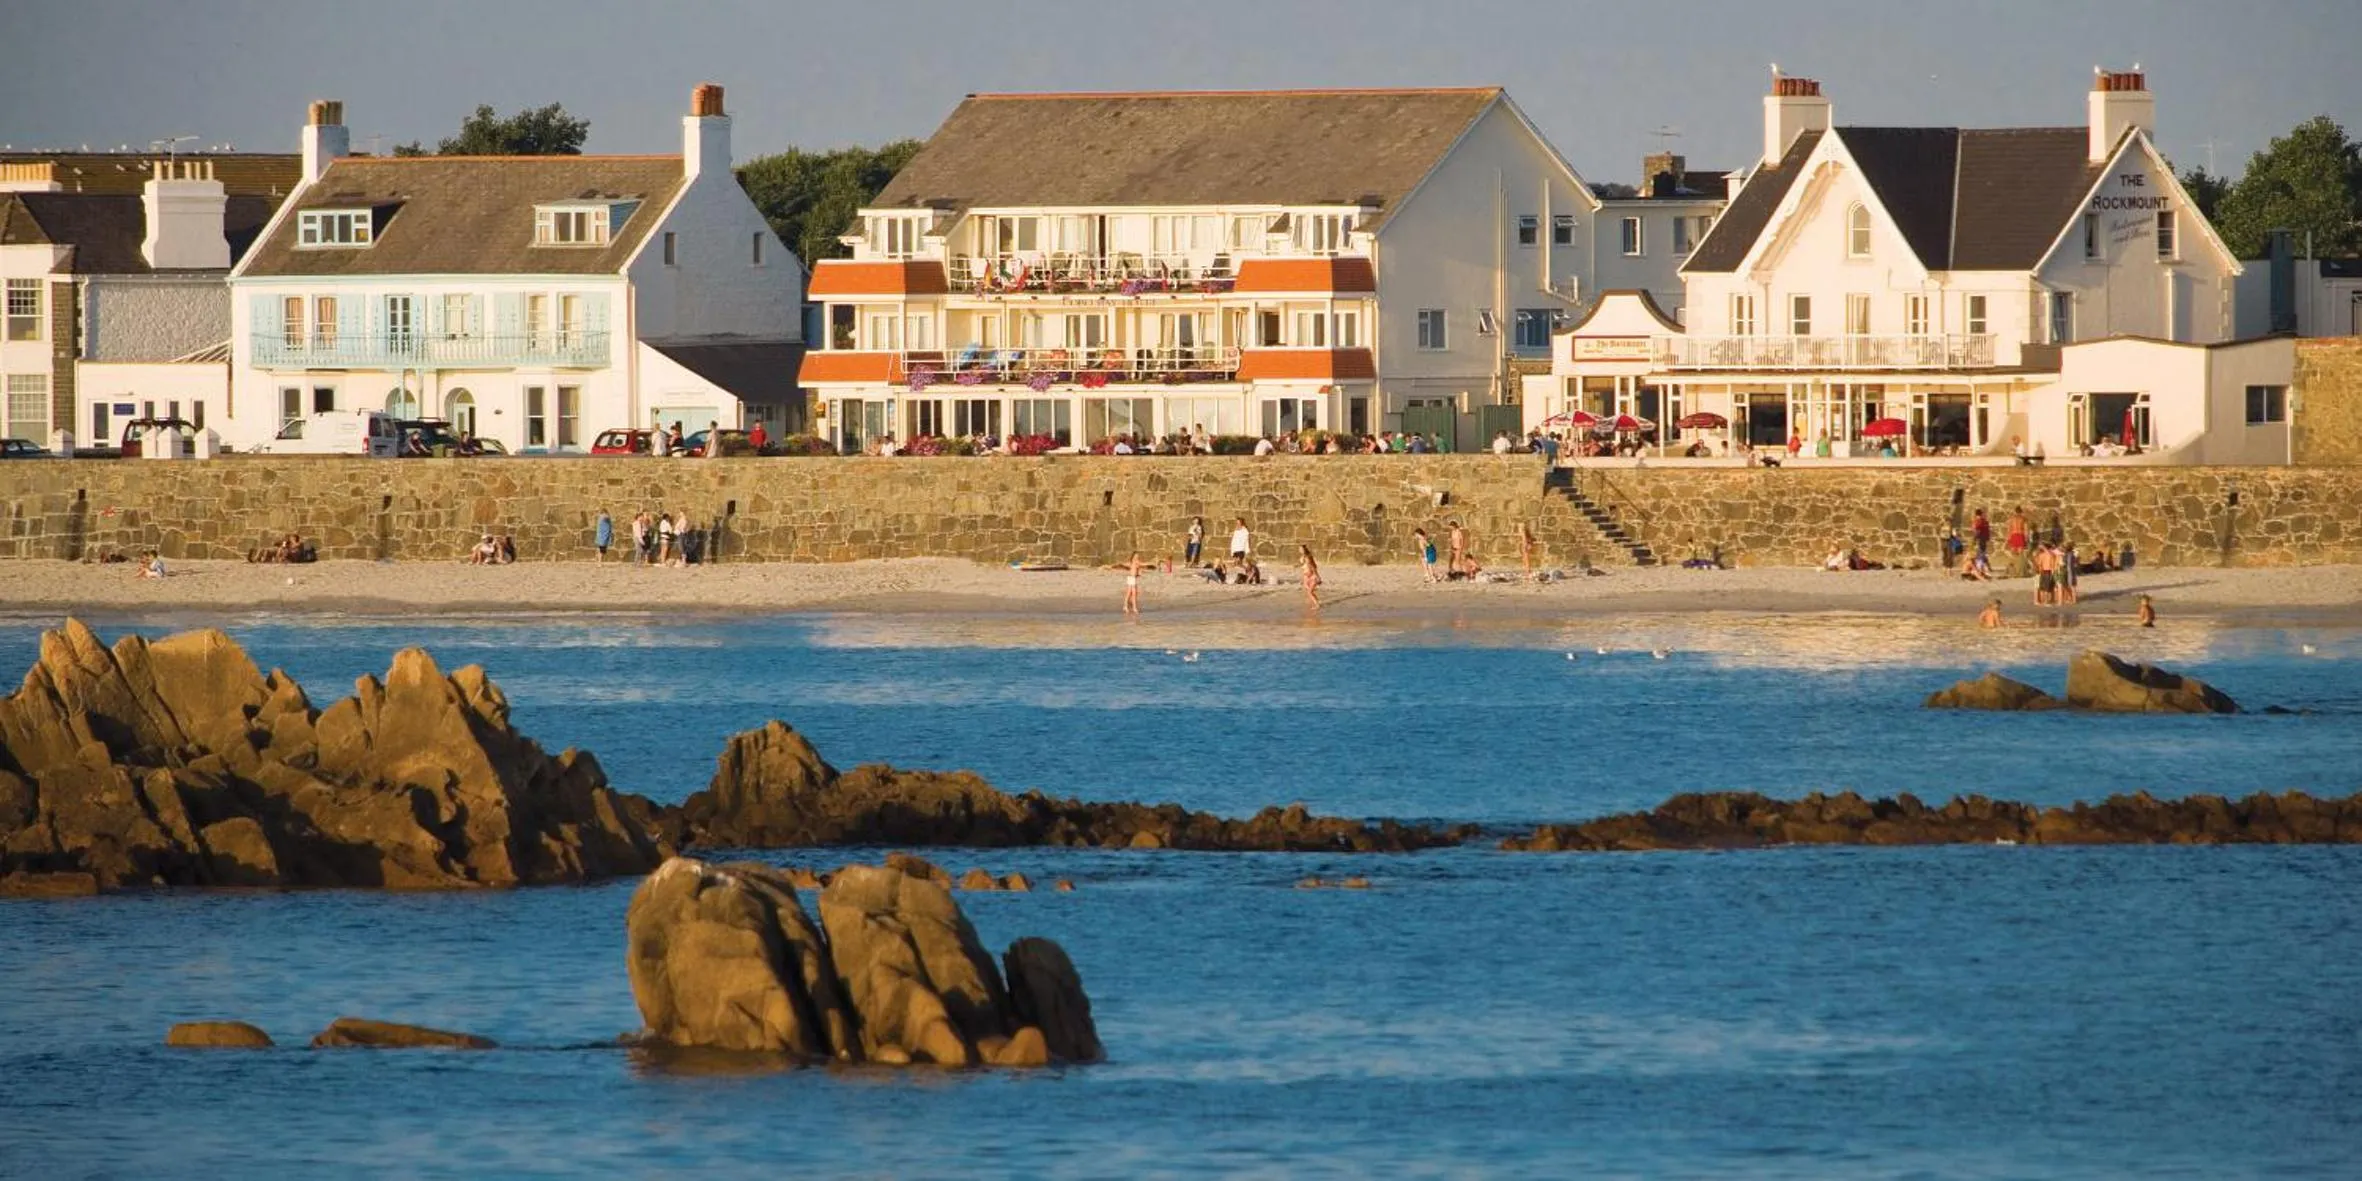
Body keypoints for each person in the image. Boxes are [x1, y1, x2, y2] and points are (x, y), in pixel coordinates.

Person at [2005, 507, 2030, 573]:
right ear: (2021, 512)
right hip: (2020, 535)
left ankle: (2010, 569)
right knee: (2020, 553)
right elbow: (2026, 529)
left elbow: (2009, 529)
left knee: (2013, 553)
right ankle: (2020, 570)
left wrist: (2008, 538)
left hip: (2013, 535)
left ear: (2015, 511)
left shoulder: (2011, 519)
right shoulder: (2023, 519)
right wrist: (2027, 538)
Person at [1299, 544, 1322, 609]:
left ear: (1304, 550)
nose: (1300, 550)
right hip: (1306, 576)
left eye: (1301, 549)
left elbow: (1312, 567)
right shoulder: (1303, 557)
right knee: (1307, 589)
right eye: (1299, 549)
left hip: (1312, 576)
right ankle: (1316, 601)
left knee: (1310, 592)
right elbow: (1303, 565)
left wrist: (1318, 576)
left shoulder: (1307, 557)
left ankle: (1317, 605)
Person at [1122, 551, 1143, 616]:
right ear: (1133, 556)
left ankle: (1131, 607)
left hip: (1133, 578)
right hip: (1130, 578)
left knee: (1133, 593)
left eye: (1137, 556)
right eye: (1135, 556)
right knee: (1130, 593)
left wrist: (1139, 573)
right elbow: (1125, 566)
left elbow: (1139, 570)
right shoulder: (1132, 562)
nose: (1136, 557)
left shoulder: (1137, 562)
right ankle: (1129, 607)